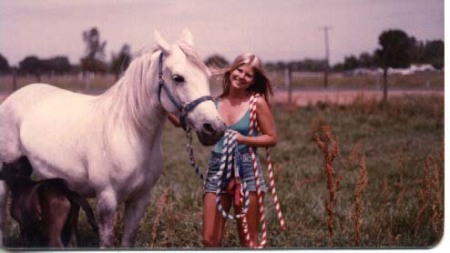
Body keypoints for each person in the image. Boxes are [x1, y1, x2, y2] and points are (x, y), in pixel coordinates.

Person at [169, 53, 277, 247]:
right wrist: (164, 106)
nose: (242, 76)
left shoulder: (256, 103)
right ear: (232, 70)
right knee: (210, 239)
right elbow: (181, 122)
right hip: (218, 169)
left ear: (254, 80)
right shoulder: (214, 104)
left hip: (247, 169)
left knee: (248, 241)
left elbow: (271, 138)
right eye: (239, 70)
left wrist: (242, 138)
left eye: (249, 75)